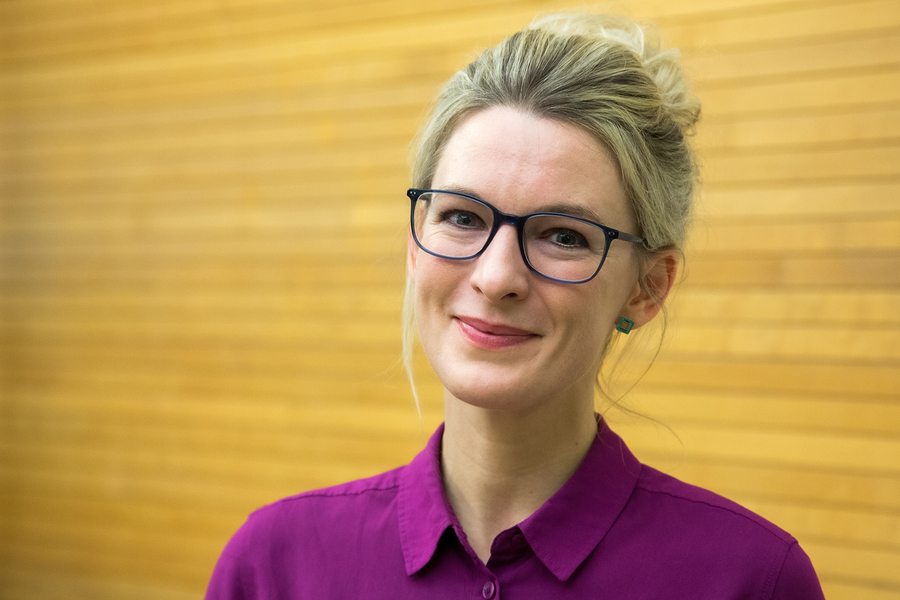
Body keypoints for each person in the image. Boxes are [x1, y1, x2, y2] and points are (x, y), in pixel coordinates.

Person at [206, 13, 826, 599]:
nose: (496, 276)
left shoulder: (752, 580)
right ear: (414, 246)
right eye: (461, 217)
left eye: (563, 235)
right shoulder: (274, 567)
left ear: (648, 288)